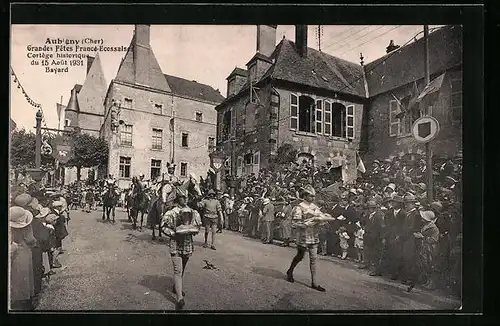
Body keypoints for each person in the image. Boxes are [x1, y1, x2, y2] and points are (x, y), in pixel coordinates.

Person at [161, 190, 202, 310]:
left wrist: (193, 229)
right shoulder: (172, 212)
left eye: (186, 197)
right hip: (175, 242)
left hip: (188, 244)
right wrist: (173, 233)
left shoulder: (193, 212)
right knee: (178, 270)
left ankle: (176, 287)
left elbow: (197, 226)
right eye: (183, 197)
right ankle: (179, 298)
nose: (185, 199)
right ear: (178, 198)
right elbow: (163, 225)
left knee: (182, 267)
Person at [286, 184, 327, 292]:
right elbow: (295, 223)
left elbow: (321, 220)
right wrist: (305, 224)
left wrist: (321, 220)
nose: (313, 198)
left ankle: (314, 282)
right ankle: (290, 271)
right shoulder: (299, 207)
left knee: (313, 259)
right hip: (303, 237)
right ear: (305, 196)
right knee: (300, 256)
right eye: (310, 196)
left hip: (314, 236)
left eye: (314, 196)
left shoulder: (315, 207)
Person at [9, 206, 36, 311]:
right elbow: (30, 240)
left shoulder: (10, 228)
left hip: (13, 252)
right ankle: (26, 302)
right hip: (24, 252)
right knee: (25, 278)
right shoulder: (27, 227)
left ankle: (14, 301)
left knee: (14, 278)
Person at [408, 210, 440, 292]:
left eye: (423, 218)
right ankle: (426, 281)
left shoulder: (434, 228)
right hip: (423, 248)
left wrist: (422, 237)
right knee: (423, 264)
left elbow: (434, 239)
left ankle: (431, 283)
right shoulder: (425, 225)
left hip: (430, 249)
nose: (422, 219)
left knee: (429, 265)